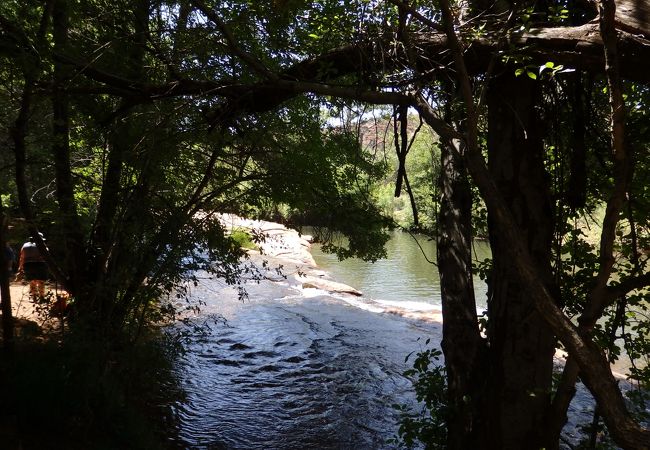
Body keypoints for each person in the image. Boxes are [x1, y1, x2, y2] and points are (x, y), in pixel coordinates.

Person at [17, 234, 48, 300]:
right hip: (40, 264)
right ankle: (42, 296)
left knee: (32, 280)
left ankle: (34, 296)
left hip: (28, 265)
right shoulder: (42, 245)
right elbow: (47, 255)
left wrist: (20, 267)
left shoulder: (24, 246)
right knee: (41, 280)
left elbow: (22, 258)